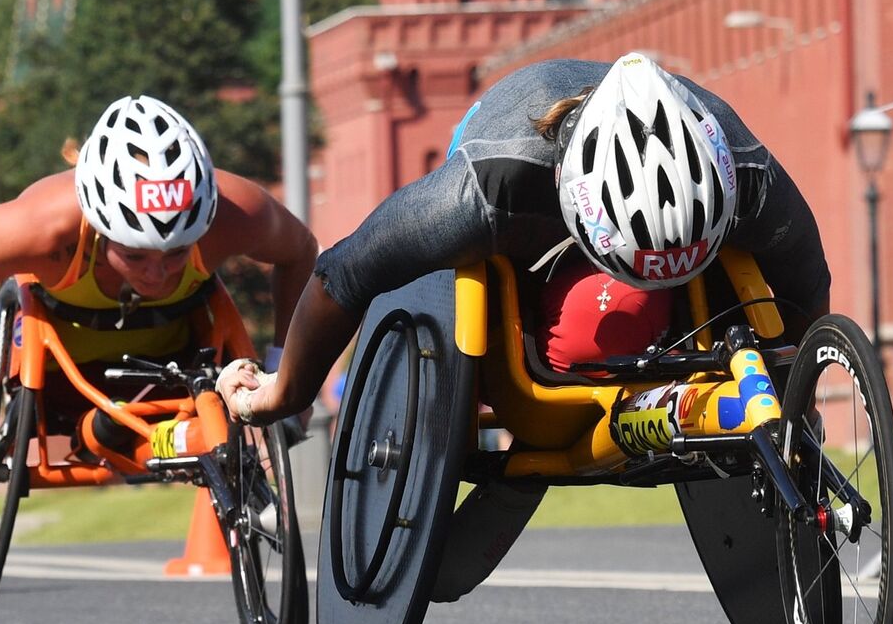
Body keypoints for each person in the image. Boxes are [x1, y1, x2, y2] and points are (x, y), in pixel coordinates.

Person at [222, 52, 831, 423]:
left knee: (653, 301)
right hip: (513, 145)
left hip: (682, 210)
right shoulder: (483, 189)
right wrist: (285, 393)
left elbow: (809, 284)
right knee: (582, 330)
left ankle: (673, 287)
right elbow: (341, 274)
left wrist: (796, 400)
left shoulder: (748, 176)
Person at [0, 94, 318, 465]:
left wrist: (287, 370)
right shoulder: (42, 228)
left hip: (178, 368)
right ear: (98, 227)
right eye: (134, 255)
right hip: (60, 382)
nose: (156, 272)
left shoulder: (235, 215)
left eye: (176, 253)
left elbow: (301, 252)